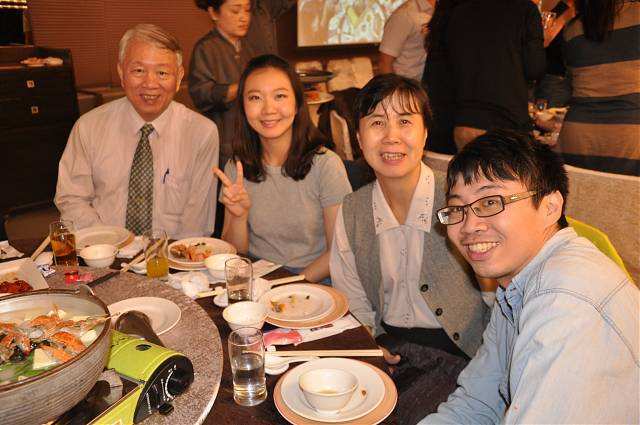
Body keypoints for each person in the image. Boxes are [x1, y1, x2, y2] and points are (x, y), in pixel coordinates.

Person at [421, 130, 639, 424]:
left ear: (550, 207)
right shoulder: (516, 285)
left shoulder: (564, 303)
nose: (470, 225)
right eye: (458, 208)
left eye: (490, 203)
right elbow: (478, 402)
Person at [330, 74, 489, 424]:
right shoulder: (353, 210)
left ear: (425, 133)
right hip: (389, 350)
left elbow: (499, 300)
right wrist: (367, 346)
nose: (391, 136)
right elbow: (353, 298)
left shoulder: (461, 201)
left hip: (464, 357)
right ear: (359, 138)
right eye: (377, 123)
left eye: (405, 121)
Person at [55, 24, 219, 239]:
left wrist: (171, 255)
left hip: (172, 254)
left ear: (179, 77)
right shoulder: (88, 127)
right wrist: (107, 242)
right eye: (139, 71)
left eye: (162, 73)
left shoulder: (202, 133)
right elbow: (72, 198)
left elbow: (197, 220)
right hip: (102, 248)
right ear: (121, 73)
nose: (150, 83)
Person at [214, 55, 352, 283]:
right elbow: (234, 255)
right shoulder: (237, 167)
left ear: (297, 104)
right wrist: (239, 217)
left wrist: (287, 286)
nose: (269, 109)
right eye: (255, 98)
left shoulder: (326, 165)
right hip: (257, 280)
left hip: (313, 282)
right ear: (243, 107)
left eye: (280, 96)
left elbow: (339, 250)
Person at [427, 0, 546, 149]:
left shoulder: (458, 10)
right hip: (507, 119)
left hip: (463, 119)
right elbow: (535, 68)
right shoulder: (525, 9)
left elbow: (442, 71)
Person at [558, 0, 640, 176]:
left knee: (577, 194)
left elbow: (569, 84)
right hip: (629, 138)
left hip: (577, 137)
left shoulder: (572, 29)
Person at [189, 0, 256, 169]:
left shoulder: (249, 47)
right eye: (235, 11)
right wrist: (241, 87)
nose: (244, 18)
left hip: (251, 138)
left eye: (247, 10)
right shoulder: (205, 48)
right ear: (214, 13)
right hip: (223, 141)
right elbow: (201, 94)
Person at [379, 0, 435, 81]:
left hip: (431, 83)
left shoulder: (444, 12)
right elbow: (385, 63)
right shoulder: (405, 14)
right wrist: (397, 89)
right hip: (408, 84)